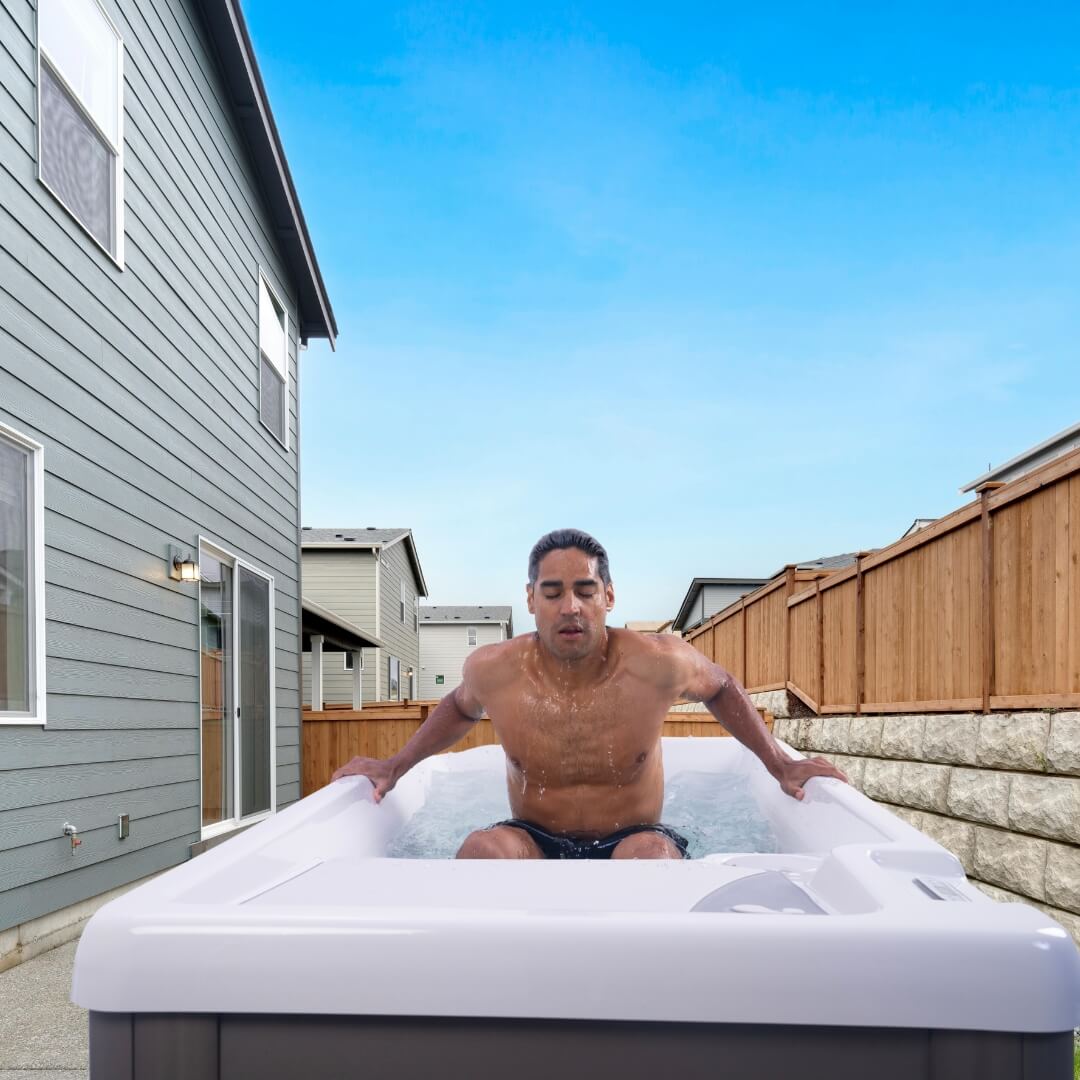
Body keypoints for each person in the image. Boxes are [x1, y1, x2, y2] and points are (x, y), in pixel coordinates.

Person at [331, 529, 848, 859]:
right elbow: (459, 707)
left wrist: (779, 763)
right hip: (532, 836)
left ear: (609, 597)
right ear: (531, 599)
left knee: (652, 862)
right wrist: (394, 766)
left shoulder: (657, 662)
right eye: (553, 593)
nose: (570, 607)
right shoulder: (495, 670)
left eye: (585, 591)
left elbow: (720, 687)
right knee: (480, 851)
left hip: (634, 837)